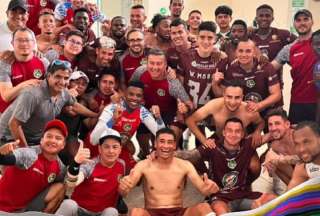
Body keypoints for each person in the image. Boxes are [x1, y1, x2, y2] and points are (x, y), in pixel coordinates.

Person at [177, 118, 269, 214]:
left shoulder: (248, 143)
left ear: (242, 134)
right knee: (221, 211)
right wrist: (167, 152)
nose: (233, 134)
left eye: (237, 131)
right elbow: (190, 155)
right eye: (229, 130)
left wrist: (261, 136)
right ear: (224, 133)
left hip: (243, 195)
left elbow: (272, 134)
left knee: (272, 199)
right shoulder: (212, 146)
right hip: (220, 197)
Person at [119, 127, 218, 216]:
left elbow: (204, 189)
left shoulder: (185, 165)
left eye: (170, 142)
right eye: (162, 141)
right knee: (136, 212)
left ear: (174, 145)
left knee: (204, 207)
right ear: (155, 144)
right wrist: (123, 187)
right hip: (153, 212)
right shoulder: (143, 165)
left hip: (178, 212)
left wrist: (211, 188)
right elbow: (125, 191)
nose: (166, 146)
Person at [0, 59, 98, 148]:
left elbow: (75, 105)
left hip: (36, 140)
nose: (62, 82)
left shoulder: (63, 91)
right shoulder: (32, 94)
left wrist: (96, 115)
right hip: (8, 138)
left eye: (66, 78)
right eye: (58, 76)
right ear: (48, 75)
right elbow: (14, 124)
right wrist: (25, 151)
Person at [90, 81, 165, 171]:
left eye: (138, 95)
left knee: (134, 175)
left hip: (117, 149)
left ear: (142, 98)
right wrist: (113, 120)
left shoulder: (142, 111)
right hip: (98, 147)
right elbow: (93, 140)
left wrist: (158, 117)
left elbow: (163, 135)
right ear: (125, 94)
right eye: (131, 94)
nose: (134, 98)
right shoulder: (112, 108)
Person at [131, 48, 192, 158]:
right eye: (152, 63)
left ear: (165, 65)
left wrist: (184, 108)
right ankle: (145, 154)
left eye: (159, 64)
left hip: (169, 114)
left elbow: (189, 103)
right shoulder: (140, 72)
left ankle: (175, 155)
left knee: (169, 140)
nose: (154, 67)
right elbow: (130, 90)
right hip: (147, 112)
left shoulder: (172, 81)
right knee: (141, 135)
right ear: (146, 62)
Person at [0, 119, 68, 213]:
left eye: (58, 138)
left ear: (63, 145)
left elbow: (68, 182)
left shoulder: (60, 167)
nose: (53, 140)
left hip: (25, 208)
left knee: (61, 187)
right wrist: (1, 153)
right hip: (3, 207)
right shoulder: (30, 154)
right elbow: (4, 159)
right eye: (49, 136)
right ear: (41, 140)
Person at [56, 128, 125, 216]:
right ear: (100, 149)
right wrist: (76, 162)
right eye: (106, 146)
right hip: (80, 210)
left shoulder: (122, 165)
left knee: (112, 211)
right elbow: (72, 183)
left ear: (120, 149)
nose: (111, 151)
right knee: (68, 204)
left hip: (102, 213)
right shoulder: (90, 164)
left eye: (115, 147)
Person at [214, 39, 282, 118]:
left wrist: (259, 105)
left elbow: (276, 94)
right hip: (245, 112)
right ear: (236, 52)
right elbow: (221, 94)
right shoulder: (231, 69)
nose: (244, 54)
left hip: (267, 110)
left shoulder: (266, 66)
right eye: (241, 51)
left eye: (248, 51)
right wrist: (214, 83)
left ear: (254, 53)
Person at [272, 9, 317, 124]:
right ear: (294, 24)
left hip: (318, 100)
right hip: (299, 100)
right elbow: (270, 69)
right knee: (297, 136)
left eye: (306, 19)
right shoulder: (289, 48)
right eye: (298, 20)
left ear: (312, 22)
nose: (302, 23)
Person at [0, 27, 49, 114]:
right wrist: (27, 83)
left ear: (34, 43)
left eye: (27, 40)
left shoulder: (43, 62)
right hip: (8, 113)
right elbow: (6, 96)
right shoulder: (5, 63)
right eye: (19, 40)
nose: (24, 43)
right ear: (12, 43)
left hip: (32, 113)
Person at [288, 121, 320, 189]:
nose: (301, 149)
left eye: (306, 142)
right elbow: (291, 194)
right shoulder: (302, 166)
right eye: (297, 144)